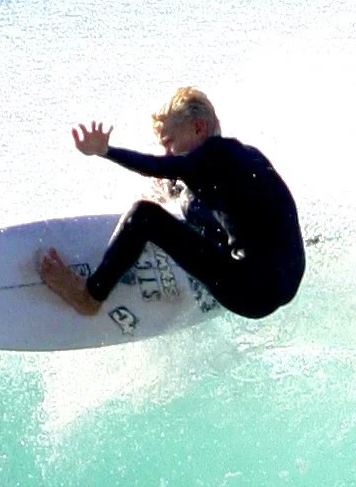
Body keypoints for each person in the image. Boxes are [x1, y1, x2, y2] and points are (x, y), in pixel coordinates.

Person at [38, 89, 305, 324]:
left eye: (169, 143)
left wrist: (106, 151)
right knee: (193, 203)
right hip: (286, 283)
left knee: (143, 215)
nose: (168, 152)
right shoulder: (246, 155)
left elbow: (157, 166)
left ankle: (90, 297)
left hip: (249, 291)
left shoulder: (210, 157)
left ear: (198, 128)